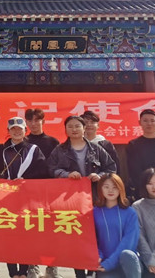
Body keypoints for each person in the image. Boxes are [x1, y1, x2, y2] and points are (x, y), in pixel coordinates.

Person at [48, 115, 116, 278]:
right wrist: (66, 174)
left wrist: (99, 176)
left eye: (77, 126)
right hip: (70, 200)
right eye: (70, 126)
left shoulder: (96, 149)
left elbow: (111, 168)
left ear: (84, 128)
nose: (74, 129)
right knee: (75, 236)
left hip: (94, 198)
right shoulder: (60, 150)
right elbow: (50, 169)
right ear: (65, 130)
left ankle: (93, 270)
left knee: (95, 235)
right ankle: (79, 273)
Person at [0, 117, 48, 278]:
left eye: (20, 129)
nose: (17, 132)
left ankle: (24, 271)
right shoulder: (2, 150)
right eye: (13, 129)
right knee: (8, 235)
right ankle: (13, 272)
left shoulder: (34, 149)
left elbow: (43, 171)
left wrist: (26, 180)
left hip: (27, 198)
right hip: (6, 198)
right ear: (8, 131)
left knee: (25, 234)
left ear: (26, 130)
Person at [92, 173, 140, 278]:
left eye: (115, 187)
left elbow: (129, 242)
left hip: (127, 264)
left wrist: (111, 262)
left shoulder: (130, 213)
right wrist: (98, 256)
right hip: (104, 264)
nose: (111, 190)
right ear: (100, 189)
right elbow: (91, 240)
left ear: (121, 189)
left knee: (127, 254)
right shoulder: (94, 213)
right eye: (106, 187)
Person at [81, 110, 120, 174]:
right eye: (86, 122)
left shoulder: (106, 144)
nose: (89, 125)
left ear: (98, 125)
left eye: (92, 122)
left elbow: (114, 165)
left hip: (102, 178)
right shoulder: (77, 144)